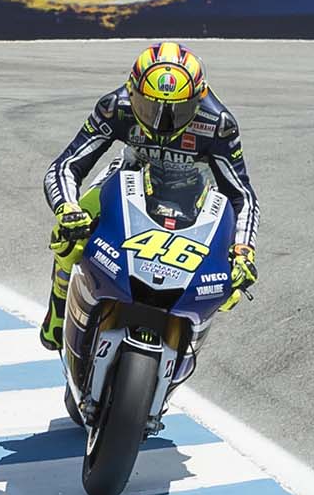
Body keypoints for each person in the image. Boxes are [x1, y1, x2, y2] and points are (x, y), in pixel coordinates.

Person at [39, 41, 259, 349]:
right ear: (132, 92)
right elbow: (66, 165)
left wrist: (244, 250)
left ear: (198, 100)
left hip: (194, 194)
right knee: (70, 234)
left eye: (178, 111)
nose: (161, 123)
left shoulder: (218, 124)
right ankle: (59, 307)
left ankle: (190, 333)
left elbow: (241, 196)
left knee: (229, 278)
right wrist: (67, 208)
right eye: (149, 107)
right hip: (130, 177)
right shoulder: (116, 107)